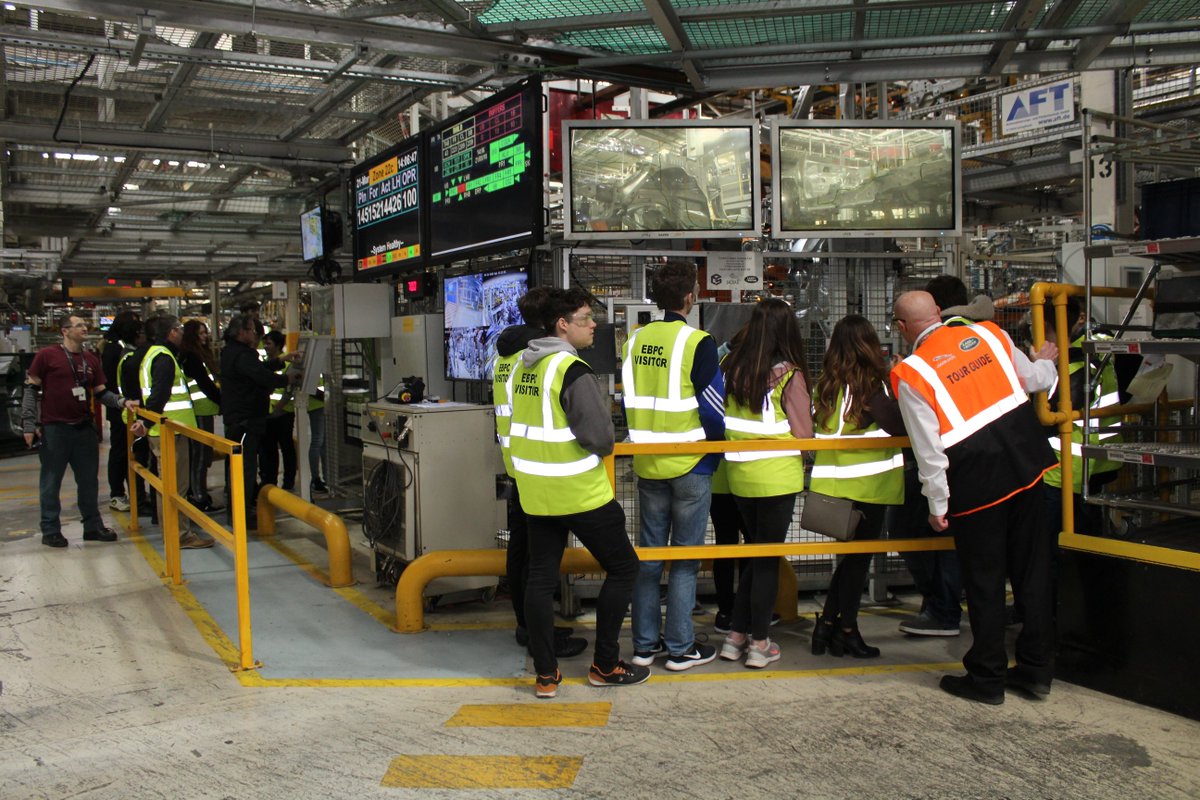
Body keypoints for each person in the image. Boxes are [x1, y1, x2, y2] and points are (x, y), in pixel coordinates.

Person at [891, 290, 1059, 705]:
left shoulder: (912, 373)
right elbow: (1037, 380)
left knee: (984, 582)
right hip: (1027, 465)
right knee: (1032, 573)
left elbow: (928, 451)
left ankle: (987, 677)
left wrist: (937, 504)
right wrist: (1047, 361)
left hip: (977, 484)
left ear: (901, 329)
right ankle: (1036, 670)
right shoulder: (989, 334)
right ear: (939, 313)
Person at [507, 288, 647, 698]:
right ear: (562, 325)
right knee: (624, 568)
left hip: (536, 491)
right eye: (585, 318)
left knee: (539, 577)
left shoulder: (524, 367)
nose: (594, 325)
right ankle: (605, 664)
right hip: (580, 492)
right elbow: (601, 438)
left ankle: (546, 675)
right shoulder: (572, 370)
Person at [623, 260, 724, 672]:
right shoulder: (698, 342)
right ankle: (681, 649)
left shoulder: (633, 341)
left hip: (647, 465)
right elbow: (714, 411)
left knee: (648, 558)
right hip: (689, 465)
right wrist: (713, 454)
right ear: (690, 297)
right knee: (684, 560)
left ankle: (645, 646)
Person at [493, 286, 587, 660]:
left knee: (522, 555)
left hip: (516, 465)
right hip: (541, 469)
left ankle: (528, 626)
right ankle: (537, 634)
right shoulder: (535, 359)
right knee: (537, 562)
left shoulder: (505, 357)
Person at [892, 274, 989, 637]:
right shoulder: (986, 340)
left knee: (924, 534)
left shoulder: (923, 364)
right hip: (992, 462)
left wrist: (937, 502)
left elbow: (929, 443)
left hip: (950, 465)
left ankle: (944, 609)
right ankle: (947, 605)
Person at [718, 298, 812, 668]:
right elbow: (803, 432)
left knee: (756, 556)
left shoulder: (732, 368)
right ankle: (759, 643)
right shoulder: (790, 374)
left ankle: (736, 635)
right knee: (766, 560)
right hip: (777, 478)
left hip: (740, 476)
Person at [809, 315, 906, 658]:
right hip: (867, 489)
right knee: (856, 564)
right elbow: (898, 425)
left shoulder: (826, 385)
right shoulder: (868, 387)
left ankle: (829, 627)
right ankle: (845, 630)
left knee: (849, 562)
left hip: (833, 489)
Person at [21, 314, 139, 548]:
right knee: (50, 482)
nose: (85, 328)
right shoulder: (47, 356)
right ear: (65, 331)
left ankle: (92, 526)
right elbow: (31, 390)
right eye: (79, 325)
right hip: (55, 429)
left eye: (85, 325)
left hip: (84, 429)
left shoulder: (91, 360)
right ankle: (51, 529)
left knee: (88, 482)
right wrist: (29, 424)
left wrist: (123, 401)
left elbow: (102, 393)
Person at [137, 315, 215, 550]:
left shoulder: (152, 354)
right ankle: (180, 535)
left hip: (165, 430)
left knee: (167, 486)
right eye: (180, 329)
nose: (183, 334)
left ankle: (173, 532)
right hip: (170, 432)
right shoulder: (164, 358)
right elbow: (159, 396)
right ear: (172, 332)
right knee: (176, 487)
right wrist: (145, 419)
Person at [220, 313, 294, 531]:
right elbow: (261, 376)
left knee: (239, 468)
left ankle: (238, 512)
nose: (255, 334)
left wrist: (281, 360)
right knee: (244, 469)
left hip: (240, 418)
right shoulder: (243, 354)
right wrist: (286, 379)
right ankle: (240, 517)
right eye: (252, 330)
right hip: (245, 420)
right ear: (241, 332)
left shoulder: (233, 352)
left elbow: (257, 371)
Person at [179, 320, 222, 511]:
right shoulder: (192, 357)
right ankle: (198, 495)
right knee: (200, 456)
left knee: (202, 455)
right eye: (201, 333)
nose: (205, 337)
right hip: (200, 411)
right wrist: (222, 401)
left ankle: (198, 491)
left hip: (205, 409)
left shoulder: (197, 355)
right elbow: (205, 384)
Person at [101, 310, 141, 512]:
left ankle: (134, 493)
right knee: (119, 450)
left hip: (129, 407)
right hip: (118, 409)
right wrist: (119, 402)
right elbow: (109, 382)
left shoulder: (127, 346)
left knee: (130, 451)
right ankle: (117, 494)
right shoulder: (114, 349)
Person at [259, 330, 297, 492]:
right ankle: (270, 482)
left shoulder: (288, 363)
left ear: (278, 345)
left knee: (287, 448)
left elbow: (289, 389)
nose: (266, 347)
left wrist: (279, 407)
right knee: (269, 450)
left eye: (269, 343)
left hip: (283, 413)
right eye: (265, 343)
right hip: (268, 414)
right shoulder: (264, 363)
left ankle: (288, 481)